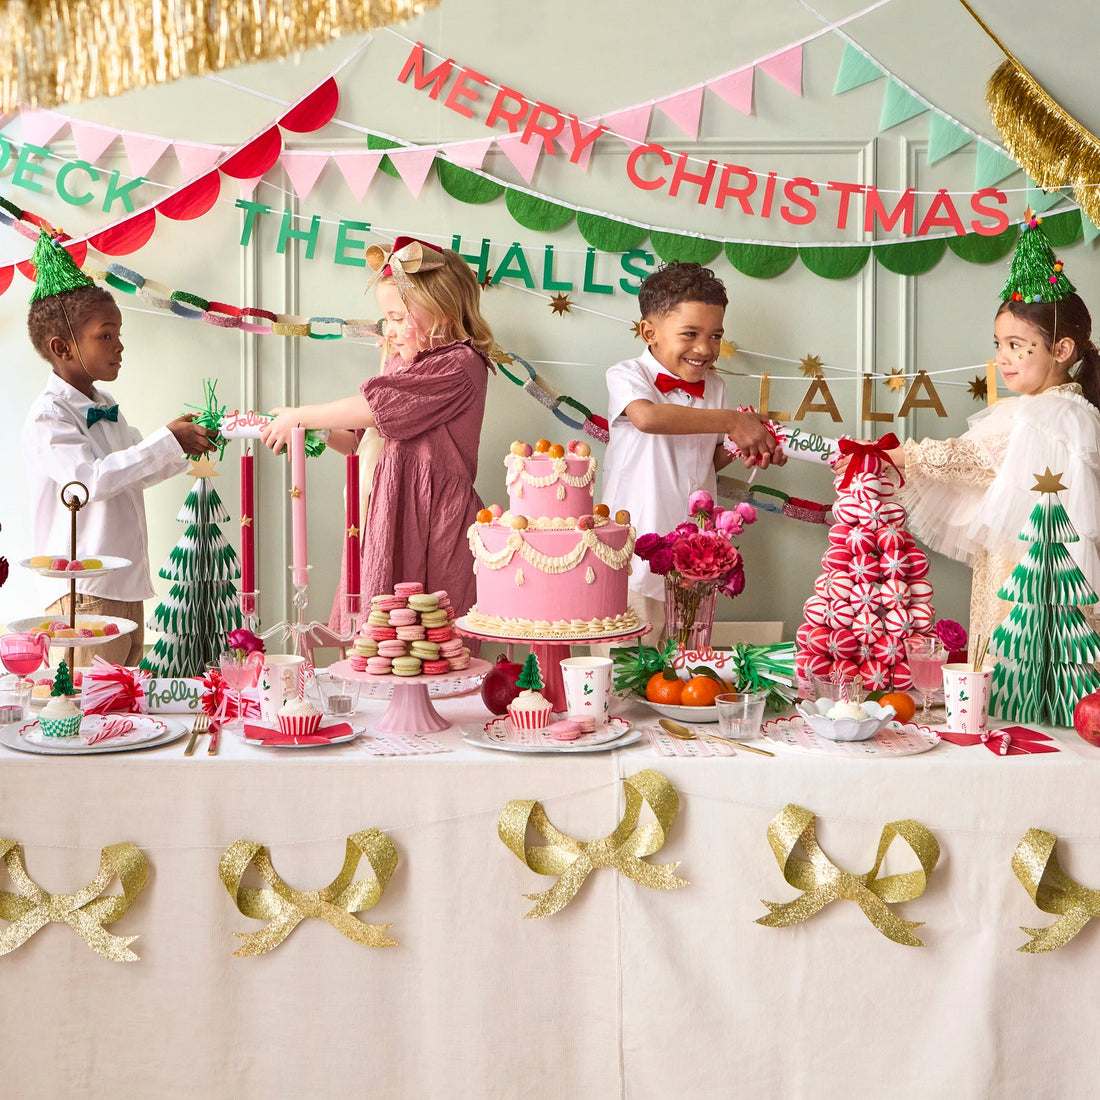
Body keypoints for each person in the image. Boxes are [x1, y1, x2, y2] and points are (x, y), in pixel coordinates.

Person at [835, 216, 1100, 642]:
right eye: (999, 345)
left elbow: (975, 458)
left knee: (1023, 661)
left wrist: (897, 455)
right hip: (1012, 567)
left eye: (1017, 345)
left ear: (1063, 350)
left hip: (1035, 581)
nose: (1003, 358)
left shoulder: (1054, 415)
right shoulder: (1037, 409)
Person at [261, 236, 495, 633]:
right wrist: (307, 432)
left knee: (425, 638)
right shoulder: (401, 364)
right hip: (384, 511)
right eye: (387, 318)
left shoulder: (459, 365)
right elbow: (360, 440)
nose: (391, 329)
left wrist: (302, 415)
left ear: (442, 311)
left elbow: (378, 410)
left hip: (429, 516)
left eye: (401, 318)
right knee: (372, 633)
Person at [21, 230, 214, 666]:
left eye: (118, 333)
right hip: (81, 594)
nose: (120, 345)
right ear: (63, 347)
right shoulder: (48, 416)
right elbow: (88, 482)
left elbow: (137, 471)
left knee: (120, 706)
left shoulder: (104, 405)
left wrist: (186, 446)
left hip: (125, 588)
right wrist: (165, 440)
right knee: (87, 714)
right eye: (106, 335)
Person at [600, 261, 782, 641]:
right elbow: (648, 418)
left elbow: (707, 460)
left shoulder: (715, 388)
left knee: (685, 669)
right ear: (649, 331)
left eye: (715, 336)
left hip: (696, 555)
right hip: (635, 555)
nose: (705, 348)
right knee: (627, 672)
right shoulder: (627, 374)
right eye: (690, 334)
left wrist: (743, 444)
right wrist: (732, 422)